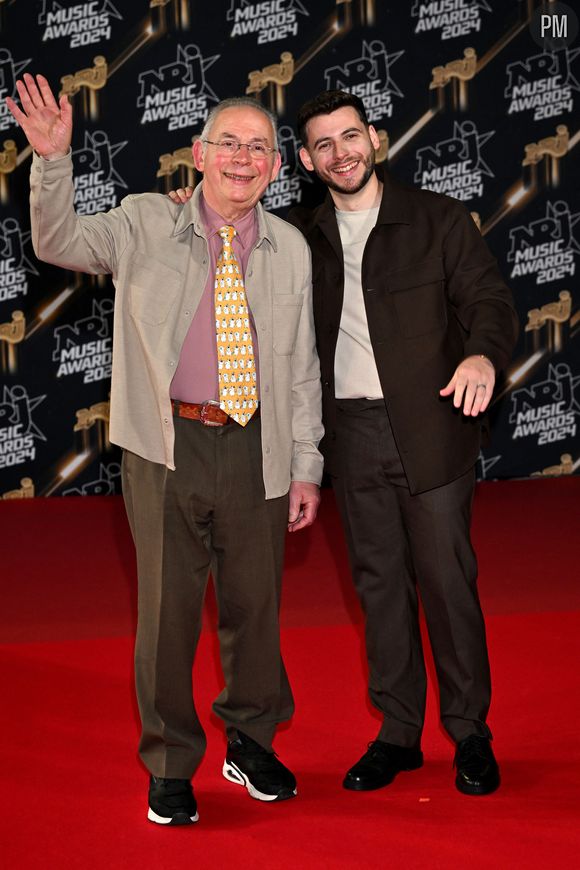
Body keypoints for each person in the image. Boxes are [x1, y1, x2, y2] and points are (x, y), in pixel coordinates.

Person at [6, 75, 324, 824]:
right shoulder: (144, 222)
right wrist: (51, 161)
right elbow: (57, 242)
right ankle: (171, 764)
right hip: (165, 448)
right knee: (167, 615)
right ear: (198, 154)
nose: (242, 158)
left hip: (258, 446)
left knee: (255, 609)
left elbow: (303, 366)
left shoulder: (289, 248)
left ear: (276, 167)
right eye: (228, 143)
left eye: (258, 147)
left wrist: (306, 464)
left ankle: (251, 742)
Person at [290, 90, 518, 796]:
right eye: (324, 144)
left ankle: (470, 732)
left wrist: (481, 356)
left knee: (447, 583)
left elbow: (490, 302)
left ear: (376, 139)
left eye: (350, 136)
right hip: (351, 434)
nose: (341, 153)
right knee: (380, 586)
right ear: (306, 160)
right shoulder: (299, 236)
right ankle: (397, 732)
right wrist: (190, 204)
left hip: (433, 426)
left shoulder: (438, 219)